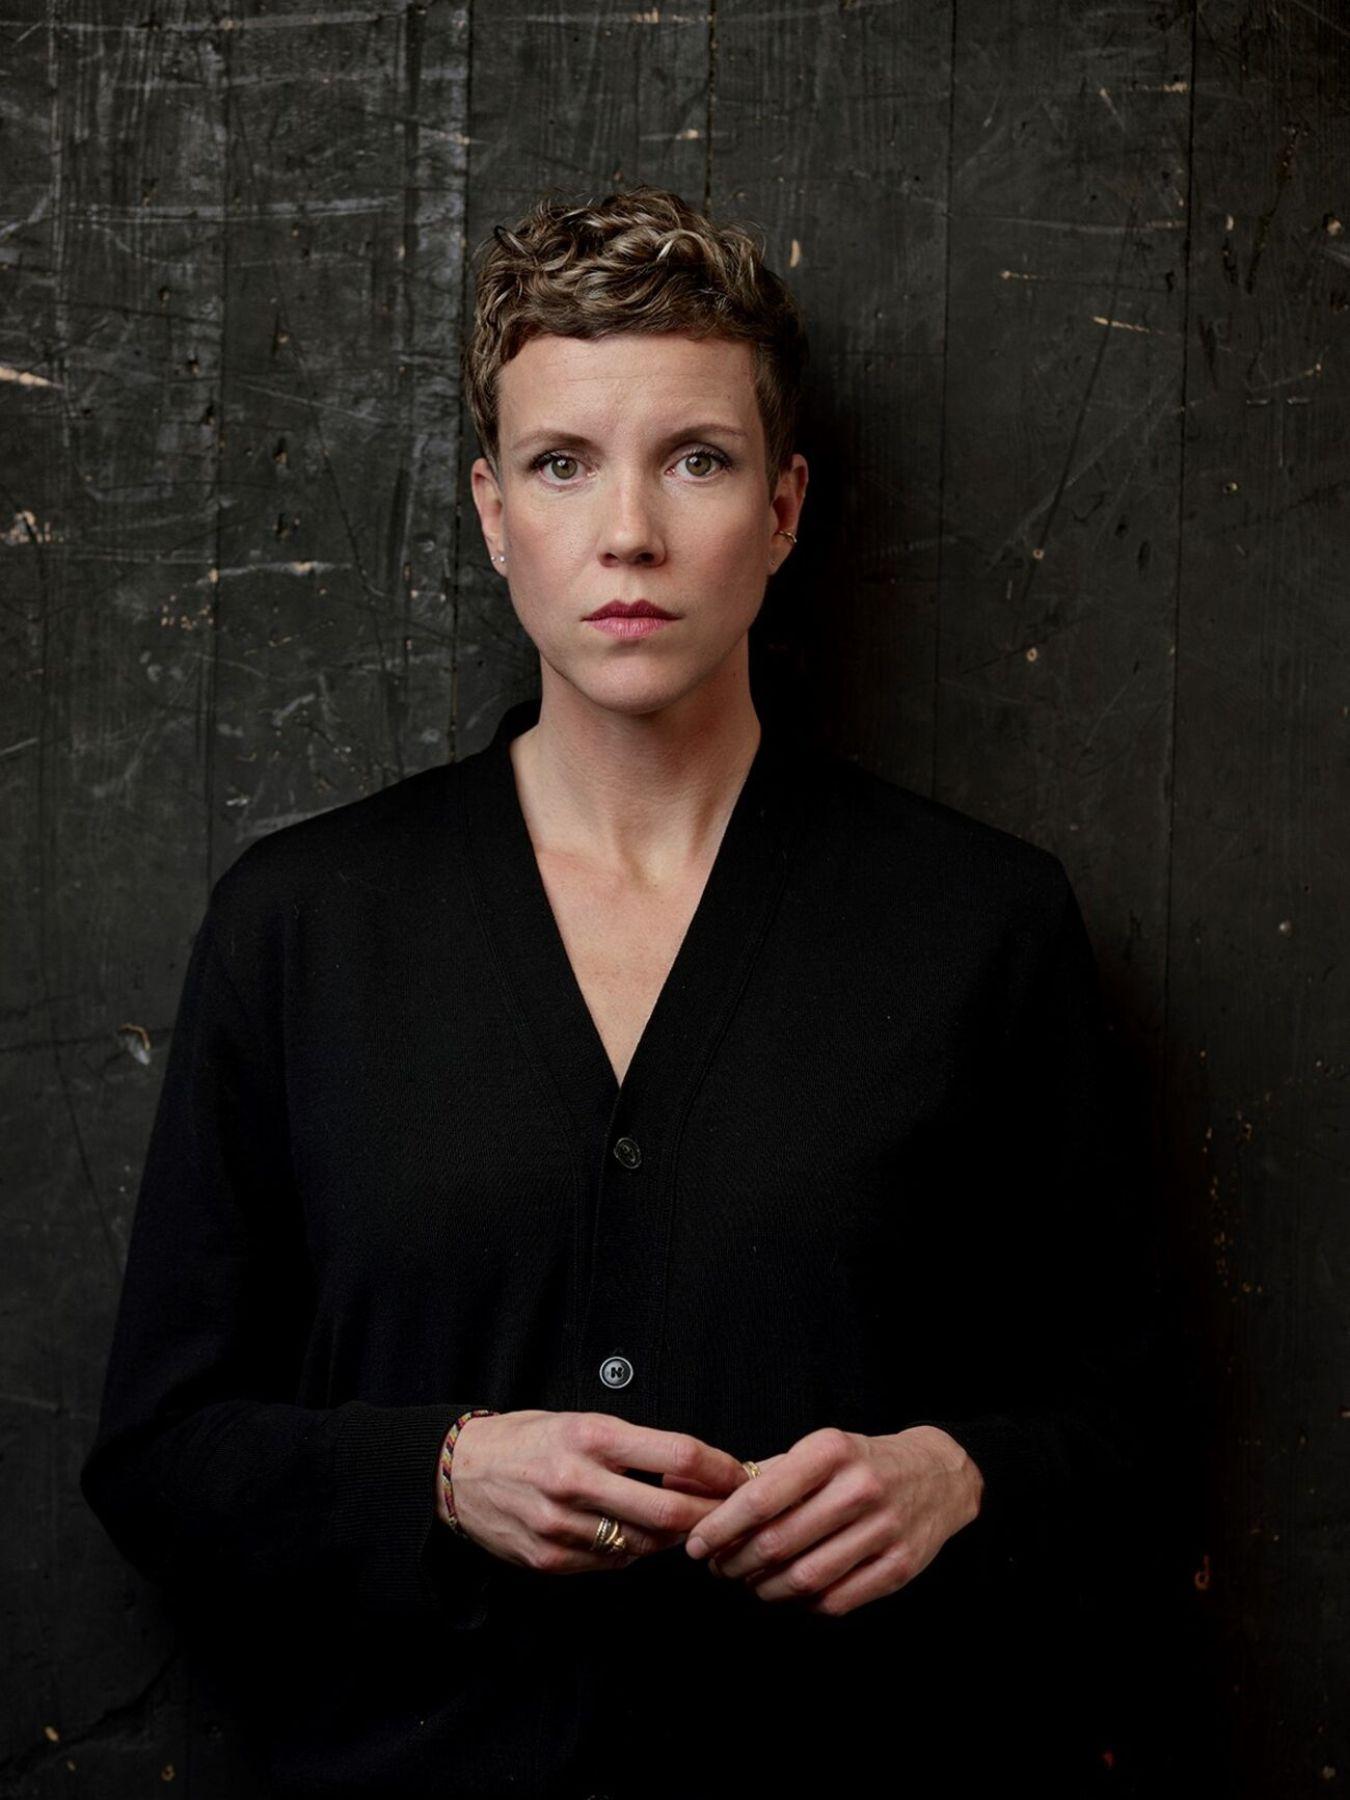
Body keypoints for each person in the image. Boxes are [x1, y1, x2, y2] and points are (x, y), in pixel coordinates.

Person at [81, 183, 1167, 1799]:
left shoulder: (978, 924)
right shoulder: (305, 925)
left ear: (785, 509)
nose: (629, 535)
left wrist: (955, 1475)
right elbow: (159, 1457)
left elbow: (1127, 1430)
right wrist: (442, 1474)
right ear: (489, 510)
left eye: (698, 459)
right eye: (563, 463)